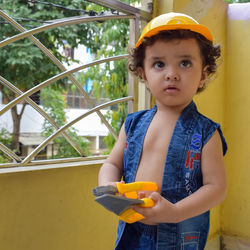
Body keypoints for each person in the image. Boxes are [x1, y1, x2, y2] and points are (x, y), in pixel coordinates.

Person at [98, 12, 227, 250]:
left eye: (185, 63)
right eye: (159, 64)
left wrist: (176, 212)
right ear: (143, 74)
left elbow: (216, 188)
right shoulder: (132, 125)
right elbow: (112, 164)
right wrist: (109, 187)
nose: (172, 73)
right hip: (133, 227)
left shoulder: (207, 133)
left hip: (178, 234)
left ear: (203, 74)